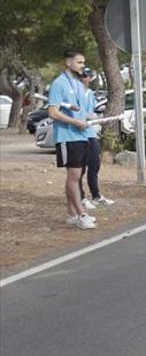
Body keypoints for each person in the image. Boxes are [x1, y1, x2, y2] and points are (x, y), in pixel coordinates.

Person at [48, 50, 95, 229]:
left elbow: (78, 110)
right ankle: (82, 214)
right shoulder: (59, 84)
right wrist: (74, 121)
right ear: (68, 63)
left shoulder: (77, 83)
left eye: (83, 62)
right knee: (74, 176)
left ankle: (71, 213)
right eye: (79, 62)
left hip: (82, 136)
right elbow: (52, 112)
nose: (83, 66)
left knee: (77, 175)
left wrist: (86, 118)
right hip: (68, 137)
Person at [78, 68, 113, 209]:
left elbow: (92, 112)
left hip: (90, 133)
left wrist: (98, 118)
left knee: (94, 164)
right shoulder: (75, 93)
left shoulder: (90, 94)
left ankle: (96, 196)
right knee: (79, 169)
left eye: (88, 76)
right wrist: (89, 116)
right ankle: (80, 197)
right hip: (78, 135)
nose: (87, 78)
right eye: (85, 76)